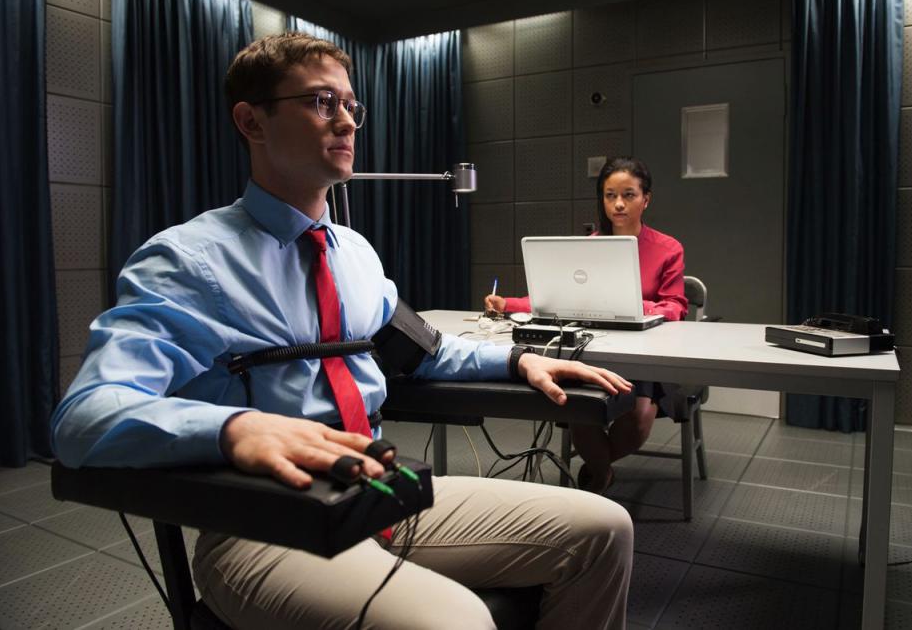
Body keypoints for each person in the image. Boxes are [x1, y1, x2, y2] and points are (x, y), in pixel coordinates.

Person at [50, 32, 635, 630]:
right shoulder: (188, 262)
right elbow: (84, 416)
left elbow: (424, 350)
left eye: (351, 106)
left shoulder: (355, 254)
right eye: (321, 102)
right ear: (252, 121)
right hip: (263, 524)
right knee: (455, 623)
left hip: (377, 493)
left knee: (604, 529)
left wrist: (518, 361)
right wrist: (232, 429)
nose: (347, 122)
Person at [486, 157, 688, 493]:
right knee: (577, 408)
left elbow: (676, 307)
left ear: (646, 199)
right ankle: (601, 475)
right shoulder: (588, 247)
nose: (618, 204)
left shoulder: (668, 249)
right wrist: (508, 305)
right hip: (594, 347)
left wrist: (634, 305)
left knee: (638, 420)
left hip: (645, 352)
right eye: (610, 195)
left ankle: (597, 469)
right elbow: (556, 298)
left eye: (628, 195)